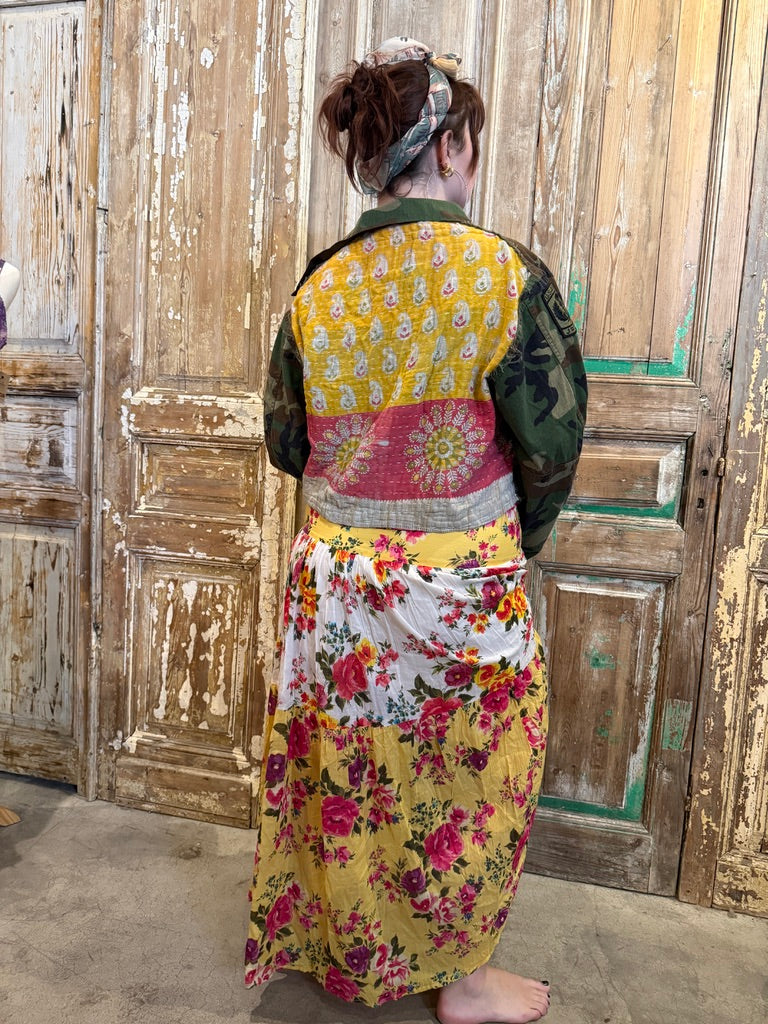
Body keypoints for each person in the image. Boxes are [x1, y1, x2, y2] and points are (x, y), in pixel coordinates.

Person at [245, 37, 587, 1024]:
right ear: (449, 146)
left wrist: (362, 494)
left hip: (334, 594)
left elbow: (285, 439)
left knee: (351, 772)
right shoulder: (503, 275)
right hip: (459, 586)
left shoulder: (318, 287)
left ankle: (350, 951)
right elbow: (553, 438)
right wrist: (510, 538)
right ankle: (463, 982)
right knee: (473, 773)